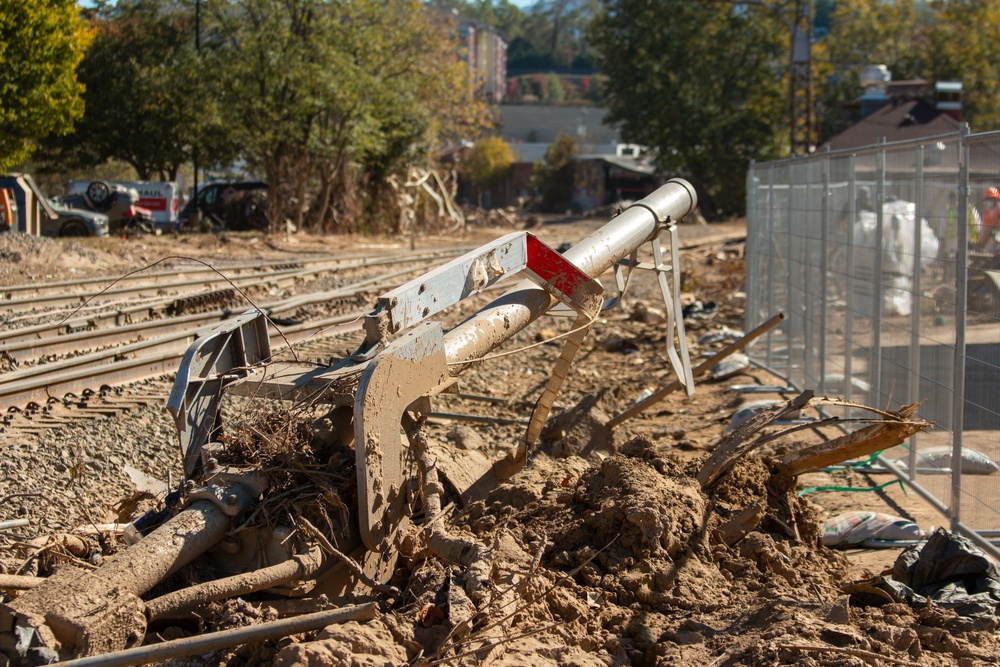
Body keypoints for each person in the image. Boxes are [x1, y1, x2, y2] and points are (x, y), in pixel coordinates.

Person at [975, 187, 1000, 251]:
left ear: (995, 199)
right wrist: (980, 242)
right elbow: (984, 229)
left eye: (990, 199)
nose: (988, 202)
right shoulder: (986, 212)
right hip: (988, 243)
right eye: (987, 199)